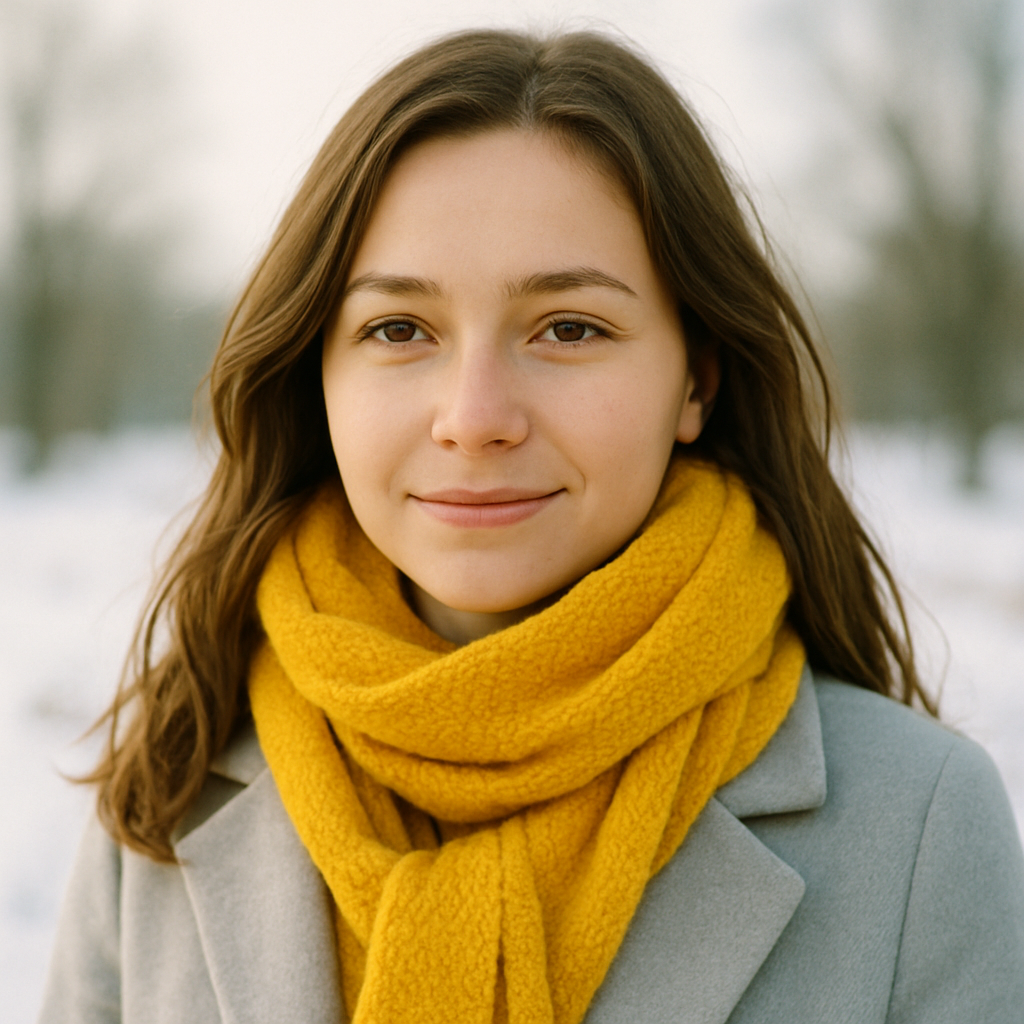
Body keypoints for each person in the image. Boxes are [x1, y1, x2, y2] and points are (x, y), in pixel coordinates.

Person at [39, 28, 1024, 1024]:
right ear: (316, 374)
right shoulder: (171, 781)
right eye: (398, 330)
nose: (473, 417)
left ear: (696, 378)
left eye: (569, 328)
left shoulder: (921, 826)